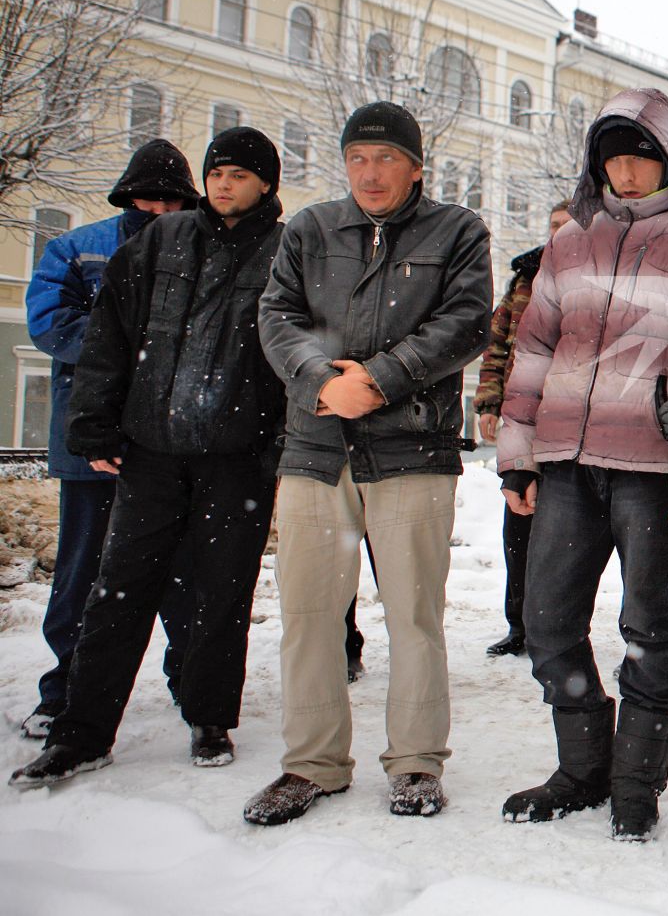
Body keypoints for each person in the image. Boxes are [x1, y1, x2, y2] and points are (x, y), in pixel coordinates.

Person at [495, 88, 668, 842]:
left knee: (648, 625)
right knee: (547, 620)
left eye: (641, 153)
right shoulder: (570, 243)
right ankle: (583, 767)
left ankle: (636, 782)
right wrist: (519, 456)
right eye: (614, 154)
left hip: (650, 466)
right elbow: (532, 349)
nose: (627, 169)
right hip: (568, 463)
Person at [11, 128, 286, 787]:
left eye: (239, 175)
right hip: (152, 448)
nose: (223, 184)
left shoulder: (285, 254)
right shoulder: (160, 243)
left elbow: (294, 355)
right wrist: (95, 428)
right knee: (118, 591)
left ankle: (209, 714)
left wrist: (278, 443)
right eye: (216, 171)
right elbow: (108, 336)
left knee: (221, 593)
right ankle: (82, 730)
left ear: (266, 186)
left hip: (236, 456)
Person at [245, 101, 492, 825]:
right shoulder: (310, 230)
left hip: (412, 447)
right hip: (315, 449)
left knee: (415, 613)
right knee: (310, 613)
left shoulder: (457, 231)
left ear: (416, 167)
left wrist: (378, 378)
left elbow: (465, 321)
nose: (370, 172)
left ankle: (417, 761)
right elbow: (275, 316)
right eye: (358, 157)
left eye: (386, 158)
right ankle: (311, 763)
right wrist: (324, 380)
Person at [20, 139, 198, 739]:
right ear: (127, 194)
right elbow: (48, 322)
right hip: (88, 437)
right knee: (83, 568)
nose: (158, 208)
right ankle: (64, 688)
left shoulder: (202, 249)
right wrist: (124, 358)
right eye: (148, 196)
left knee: (181, 566)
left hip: (169, 439)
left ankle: (190, 680)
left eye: (171, 199)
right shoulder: (76, 248)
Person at [474, 200, 572, 659]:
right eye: (553, 225)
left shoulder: (594, 277)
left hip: (572, 426)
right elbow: (498, 347)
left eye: (567, 226)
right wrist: (489, 402)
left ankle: (557, 628)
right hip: (522, 421)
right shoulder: (524, 280)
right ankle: (519, 625)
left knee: (568, 537)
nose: (558, 233)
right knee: (519, 530)